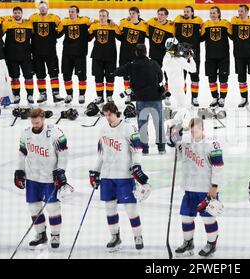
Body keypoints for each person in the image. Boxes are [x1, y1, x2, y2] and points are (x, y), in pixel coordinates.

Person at [89, 102, 148, 251]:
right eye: (105, 115)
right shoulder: (102, 129)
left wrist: (137, 166)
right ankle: (115, 236)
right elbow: (101, 154)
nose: (108, 118)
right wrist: (95, 171)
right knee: (110, 208)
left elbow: (137, 150)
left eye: (110, 114)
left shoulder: (128, 127)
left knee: (131, 208)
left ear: (116, 113)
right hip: (107, 176)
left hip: (124, 175)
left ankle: (138, 235)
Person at [168, 117, 224, 258]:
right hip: (190, 188)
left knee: (208, 219)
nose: (193, 134)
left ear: (202, 129)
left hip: (206, 189)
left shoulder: (212, 144)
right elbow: (177, 157)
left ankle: (211, 245)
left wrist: (215, 186)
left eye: (196, 131)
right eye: (191, 131)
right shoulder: (186, 143)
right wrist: (173, 142)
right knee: (186, 217)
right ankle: (188, 243)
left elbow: (218, 167)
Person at [14, 108, 68, 249]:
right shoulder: (26, 133)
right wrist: (19, 171)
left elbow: (63, 153)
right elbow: (22, 153)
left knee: (53, 207)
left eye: (37, 122)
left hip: (49, 178)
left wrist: (61, 171)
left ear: (43, 118)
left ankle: (55, 235)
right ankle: (40, 234)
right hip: (32, 177)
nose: (35, 125)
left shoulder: (55, 132)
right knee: (33, 207)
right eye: (33, 122)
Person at [114, 44, 166, 155]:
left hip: (141, 100)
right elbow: (161, 77)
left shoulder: (132, 65)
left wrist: (113, 71)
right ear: (146, 52)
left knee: (143, 125)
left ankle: (145, 149)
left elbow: (118, 72)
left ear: (136, 53)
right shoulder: (154, 63)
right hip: (156, 99)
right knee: (159, 124)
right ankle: (161, 148)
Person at [29, 1, 63, 104]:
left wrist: (55, 36)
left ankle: (56, 94)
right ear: (38, 8)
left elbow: (62, 28)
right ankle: (42, 94)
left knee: (54, 73)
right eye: (41, 7)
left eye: (44, 7)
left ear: (47, 8)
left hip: (50, 51)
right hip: (37, 51)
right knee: (40, 74)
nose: (43, 9)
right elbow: (29, 31)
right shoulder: (33, 18)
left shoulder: (54, 18)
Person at [57, 5, 91, 105]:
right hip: (67, 53)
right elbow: (57, 34)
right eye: (70, 12)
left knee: (81, 75)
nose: (71, 13)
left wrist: (110, 21)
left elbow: (99, 22)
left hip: (80, 53)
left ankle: (81, 94)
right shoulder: (64, 22)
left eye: (73, 12)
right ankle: (69, 94)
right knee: (66, 75)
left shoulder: (85, 21)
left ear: (77, 13)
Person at [163, 38, 197, 130]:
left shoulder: (166, 57)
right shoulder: (178, 60)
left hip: (171, 86)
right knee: (183, 108)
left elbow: (175, 57)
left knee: (180, 107)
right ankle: (179, 125)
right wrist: (191, 58)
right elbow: (193, 69)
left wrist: (183, 57)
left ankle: (176, 124)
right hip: (178, 87)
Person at [2, 6, 34, 105]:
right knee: (14, 77)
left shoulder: (28, 24)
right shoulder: (7, 24)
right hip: (11, 56)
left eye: (18, 13)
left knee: (29, 76)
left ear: (22, 13)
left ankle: (30, 95)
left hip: (26, 56)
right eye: (15, 13)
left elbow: (36, 38)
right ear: (13, 14)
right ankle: (16, 95)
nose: (17, 14)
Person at [201, 6, 231, 108]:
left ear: (218, 14)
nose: (212, 14)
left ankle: (222, 98)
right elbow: (200, 38)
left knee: (223, 79)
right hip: (210, 56)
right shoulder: (206, 25)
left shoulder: (225, 24)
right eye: (211, 13)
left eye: (214, 13)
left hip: (223, 56)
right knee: (212, 78)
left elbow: (233, 36)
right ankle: (214, 97)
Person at [173, 6, 203, 107]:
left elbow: (203, 35)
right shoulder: (178, 19)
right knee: (182, 78)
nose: (186, 13)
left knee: (195, 76)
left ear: (192, 12)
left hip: (194, 53)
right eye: (184, 11)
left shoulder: (198, 20)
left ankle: (195, 98)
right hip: (180, 53)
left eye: (188, 11)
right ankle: (183, 99)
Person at [88, 9, 119, 105]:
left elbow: (120, 36)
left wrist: (115, 24)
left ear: (108, 17)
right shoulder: (94, 26)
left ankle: (109, 97)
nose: (102, 17)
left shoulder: (113, 26)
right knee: (98, 77)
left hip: (110, 56)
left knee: (110, 77)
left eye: (104, 16)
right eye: (100, 15)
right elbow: (88, 38)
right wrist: (89, 24)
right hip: (97, 55)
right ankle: (100, 97)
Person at [117, 7, 148, 104]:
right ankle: (128, 95)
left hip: (137, 56)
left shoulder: (144, 25)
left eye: (133, 13)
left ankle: (136, 94)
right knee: (126, 76)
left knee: (137, 76)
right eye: (130, 13)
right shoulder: (124, 23)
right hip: (124, 54)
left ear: (138, 14)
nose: (131, 15)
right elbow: (119, 36)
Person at [146, 7, 174, 104]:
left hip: (166, 56)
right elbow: (139, 23)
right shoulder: (151, 22)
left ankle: (167, 95)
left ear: (166, 16)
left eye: (162, 14)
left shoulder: (172, 26)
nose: (160, 16)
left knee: (166, 76)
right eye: (159, 14)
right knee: (153, 76)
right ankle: (154, 94)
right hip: (153, 55)